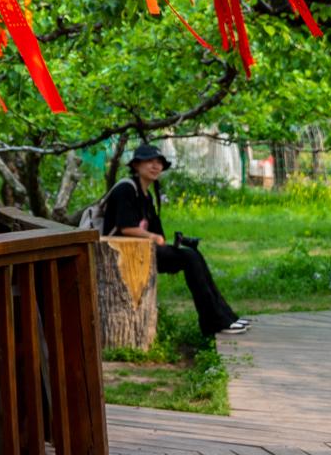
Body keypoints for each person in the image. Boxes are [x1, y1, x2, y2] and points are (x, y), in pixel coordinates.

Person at [99, 144, 249, 336]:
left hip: (142, 251)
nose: (155, 166)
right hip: (120, 254)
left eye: (159, 162)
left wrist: (167, 241)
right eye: (150, 161)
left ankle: (226, 316)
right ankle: (214, 322)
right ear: (136, 165)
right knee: (189, 258)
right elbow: (125, 227)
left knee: (193, 254)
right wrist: (152, 236)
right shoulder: (126, 189)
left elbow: (156, 232)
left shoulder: (146, 194)